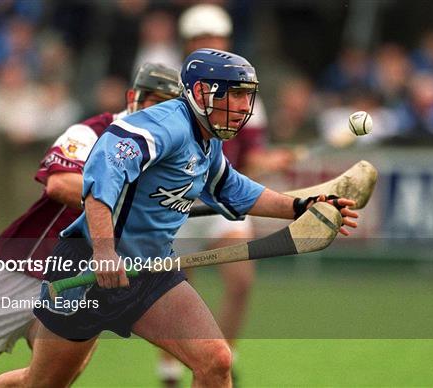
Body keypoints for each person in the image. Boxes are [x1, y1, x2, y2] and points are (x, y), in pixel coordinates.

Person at [0, 48, 358, 388]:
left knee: (215, 361)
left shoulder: (208, 139)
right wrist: (104, 251)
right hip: (86, 266)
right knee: (40, 384)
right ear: (200, 93)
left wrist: (301, 206)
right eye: (235, 94)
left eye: (248, 95)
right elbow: (100, 178)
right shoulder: (162, 126)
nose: (244, 106)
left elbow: (235, 189)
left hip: (149, 271)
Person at [0, 63, 182, 387]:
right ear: (133, 98)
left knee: (47, 382)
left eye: (172, 107)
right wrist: (121, 204)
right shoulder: (92, 132)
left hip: (81, 281)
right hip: (25, 267)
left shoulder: (169, 160)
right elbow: (60, 184)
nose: (162, 113)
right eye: (156, 101)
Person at [160, 5, 294, 386]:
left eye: (216, 39)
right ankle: (169, 366)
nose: (210, 45)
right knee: (173, 287)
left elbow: (251, 159)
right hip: (176, 202)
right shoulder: (175, 91)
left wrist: (272, 160)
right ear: (188, 44)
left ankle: (224, 357)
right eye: (202, 39)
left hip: (222, 200)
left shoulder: (245, 90)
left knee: (241, 279)